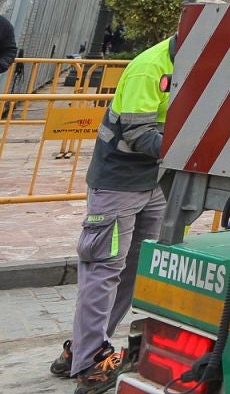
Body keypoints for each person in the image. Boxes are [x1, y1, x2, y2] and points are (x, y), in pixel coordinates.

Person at [52, 35, 177, 388]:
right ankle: (91, 362)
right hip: (120, 179)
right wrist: (194, 146)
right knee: (104, 267)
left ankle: (82, 347)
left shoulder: (202, 64)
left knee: (133, 268)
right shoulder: (150, 68)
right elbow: (139, 135)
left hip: (155, 179)